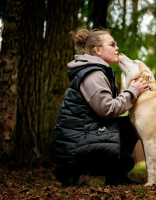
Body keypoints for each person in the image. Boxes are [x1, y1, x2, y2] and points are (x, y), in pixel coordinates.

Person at [50, 29, 149, 186]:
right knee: (126, 162)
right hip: (74, 146)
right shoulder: (93, 74)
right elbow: (107, 109)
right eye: (112, 44)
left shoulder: (98, 71)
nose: (117, 48)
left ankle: (115, 177)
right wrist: (133, 91)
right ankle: (69, 169)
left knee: (132, 124)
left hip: (83, 136)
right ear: (97, 50)